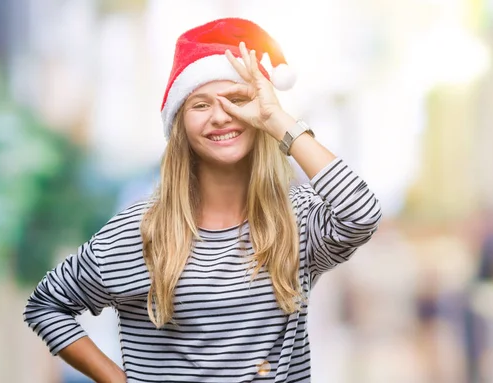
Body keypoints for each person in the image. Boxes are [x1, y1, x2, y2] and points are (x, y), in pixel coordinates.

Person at [23, 17, 382, 383]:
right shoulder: (141, 231)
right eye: (200, 105)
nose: (220, 116)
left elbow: (362, 214)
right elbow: (47, 305)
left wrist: (279, 121)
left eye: (238, 100)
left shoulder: (296, 219)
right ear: (179, 125)